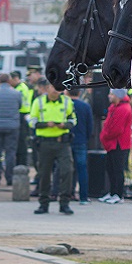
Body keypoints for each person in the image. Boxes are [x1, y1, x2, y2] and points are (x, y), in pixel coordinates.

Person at [29, 79, 76, 215]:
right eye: (53, 87)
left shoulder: (67, 102)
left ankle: (64, 203)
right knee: (44, 174)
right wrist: (45, 124)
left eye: (58, 88)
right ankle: (43, 204)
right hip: (45, 143)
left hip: (62, 143)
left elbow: (73, 120)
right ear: (47, 88)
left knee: (67, 171)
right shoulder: (39, 102)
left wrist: (64, 125)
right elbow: (32, 121)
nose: (56, 90)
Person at [98, 89, 132, 204]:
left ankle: (118, 194)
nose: (109, 96)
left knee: (117, 170)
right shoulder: (115, 107)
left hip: (119, 144)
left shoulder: (123, 109)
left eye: (112, 94)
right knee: (111, 169)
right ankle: (113, 193)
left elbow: (116, 129)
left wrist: (104, 136)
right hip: (114, 144)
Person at [0, 73, 22, 186]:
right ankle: (9, 178)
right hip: (12, 126)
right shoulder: (16, 94)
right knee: (10, 153)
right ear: (9, 81)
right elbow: (19, 106)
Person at [67, 88, 93, 205]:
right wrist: (86, 138)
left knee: (65, 169)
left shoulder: (65, 105)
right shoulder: (85, 106)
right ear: (79, 93)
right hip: (81, 140)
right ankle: (83, 196)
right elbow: (90, 126)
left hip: (66, 141)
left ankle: (64, 193)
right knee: (82, 169)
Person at [9, 70, 34, 167]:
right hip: (22, 115)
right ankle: (20, 162)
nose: (10, 83)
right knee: (20, 140)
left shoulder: (20, 89)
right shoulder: (22, 87)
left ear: (16, 79)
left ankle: (21, 163)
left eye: (11, 80)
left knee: (21, 141)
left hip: (21, 114)